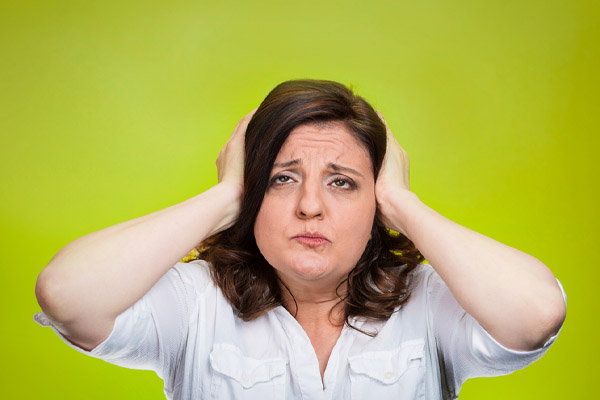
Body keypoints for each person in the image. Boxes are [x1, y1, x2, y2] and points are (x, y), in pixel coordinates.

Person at [34, 79, 567, 399]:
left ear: (376, 200)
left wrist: (404, 205)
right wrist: (224, 196)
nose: (310, 205)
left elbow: (535, 314)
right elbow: (67, 294)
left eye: (343, 182)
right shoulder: (197, 302)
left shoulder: (428, 303)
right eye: (281, 178)